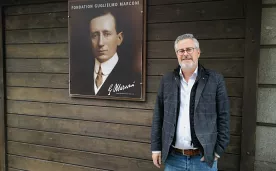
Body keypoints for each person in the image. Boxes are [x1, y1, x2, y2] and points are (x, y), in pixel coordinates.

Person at [150, 34, 230, 171]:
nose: (185, 53)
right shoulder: (167, 80)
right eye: (181, 51)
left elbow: (224, 116)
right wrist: (156, 148)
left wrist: (218, 150)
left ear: (198, 52)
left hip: (203, 160)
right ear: (177, 54)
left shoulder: (215, 80)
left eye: (189, 49)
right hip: (173, 159)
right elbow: (159, 115)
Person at [71, 11, 141, 98]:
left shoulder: (135, 79)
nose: (100, 43)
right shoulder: (77, 78)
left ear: (119, 38)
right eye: (95, 35)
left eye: (107, 34)